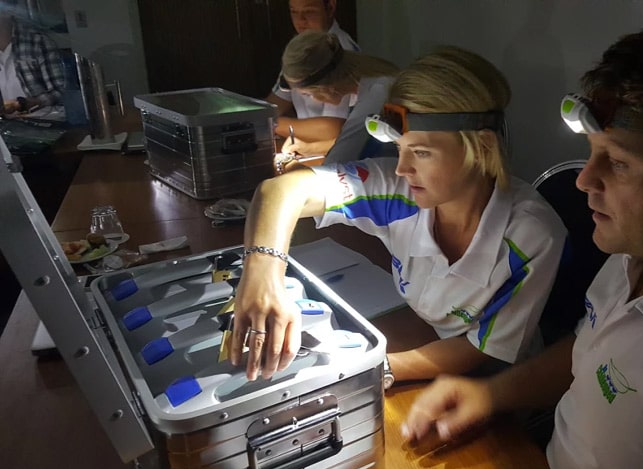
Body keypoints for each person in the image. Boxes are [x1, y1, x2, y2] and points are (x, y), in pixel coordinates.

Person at [402, 4, 643, 469]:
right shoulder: (642, 251)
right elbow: (592, 352)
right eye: (594, 152)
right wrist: (490, 395)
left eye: (617, 163)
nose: (583, 180)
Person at [231, 46, 567, 385]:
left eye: (421, 152)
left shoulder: (530, 235)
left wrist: (372, 370)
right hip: (423, 337)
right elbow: (281, 191)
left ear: (482, 147)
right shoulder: (399, 191)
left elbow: (480, 350)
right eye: (399, 148)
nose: (402, 169)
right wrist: (262, 273)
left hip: (493, 385)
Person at [277, 30, 398, 163]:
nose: (313, 99)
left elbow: (341, 157)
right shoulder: (370, 80)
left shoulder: (377, 93)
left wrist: (292, 168)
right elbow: (354, 142)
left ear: (326, 87)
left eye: (308, 94)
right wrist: (310, 149)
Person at [265, 0, 359, 156]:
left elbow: (333, 129)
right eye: (294, 12)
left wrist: (270, 123)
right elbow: (277, 101)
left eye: (309, 12)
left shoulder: (339, 54)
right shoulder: (301, 49)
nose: (300, 20)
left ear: (330, 8)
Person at [0, 0, 64, 115]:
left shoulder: (38, 42)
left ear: (8, 10)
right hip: (6, 123)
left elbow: (61, 91)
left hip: (42, 119)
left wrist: (25, 103)